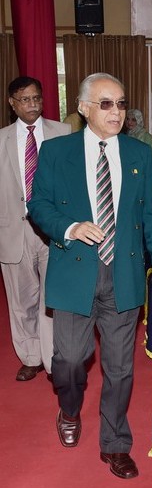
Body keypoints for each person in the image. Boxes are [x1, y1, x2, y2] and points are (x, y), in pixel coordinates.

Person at [28, 73, 152, 479]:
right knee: (69, 361)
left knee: (120, 368)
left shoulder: (138, 153)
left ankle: (115, 443)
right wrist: (71, 227)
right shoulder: (57, 151)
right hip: (75, 271)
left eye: (121, 103)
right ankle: (69, 409)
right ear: (83, 108)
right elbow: (38, 205)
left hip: (123, 273)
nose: (116, 112)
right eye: (106, 103)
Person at [0, 76, 70, 381]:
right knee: (21, 299)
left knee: (52, 299)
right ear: (12, 103)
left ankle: (53, 359)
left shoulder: (63, 133)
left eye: (37, 98)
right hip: (13, 230)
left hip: (52, 228)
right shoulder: (1, 139)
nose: (32, 105)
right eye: (25, 99)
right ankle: (30, 356)